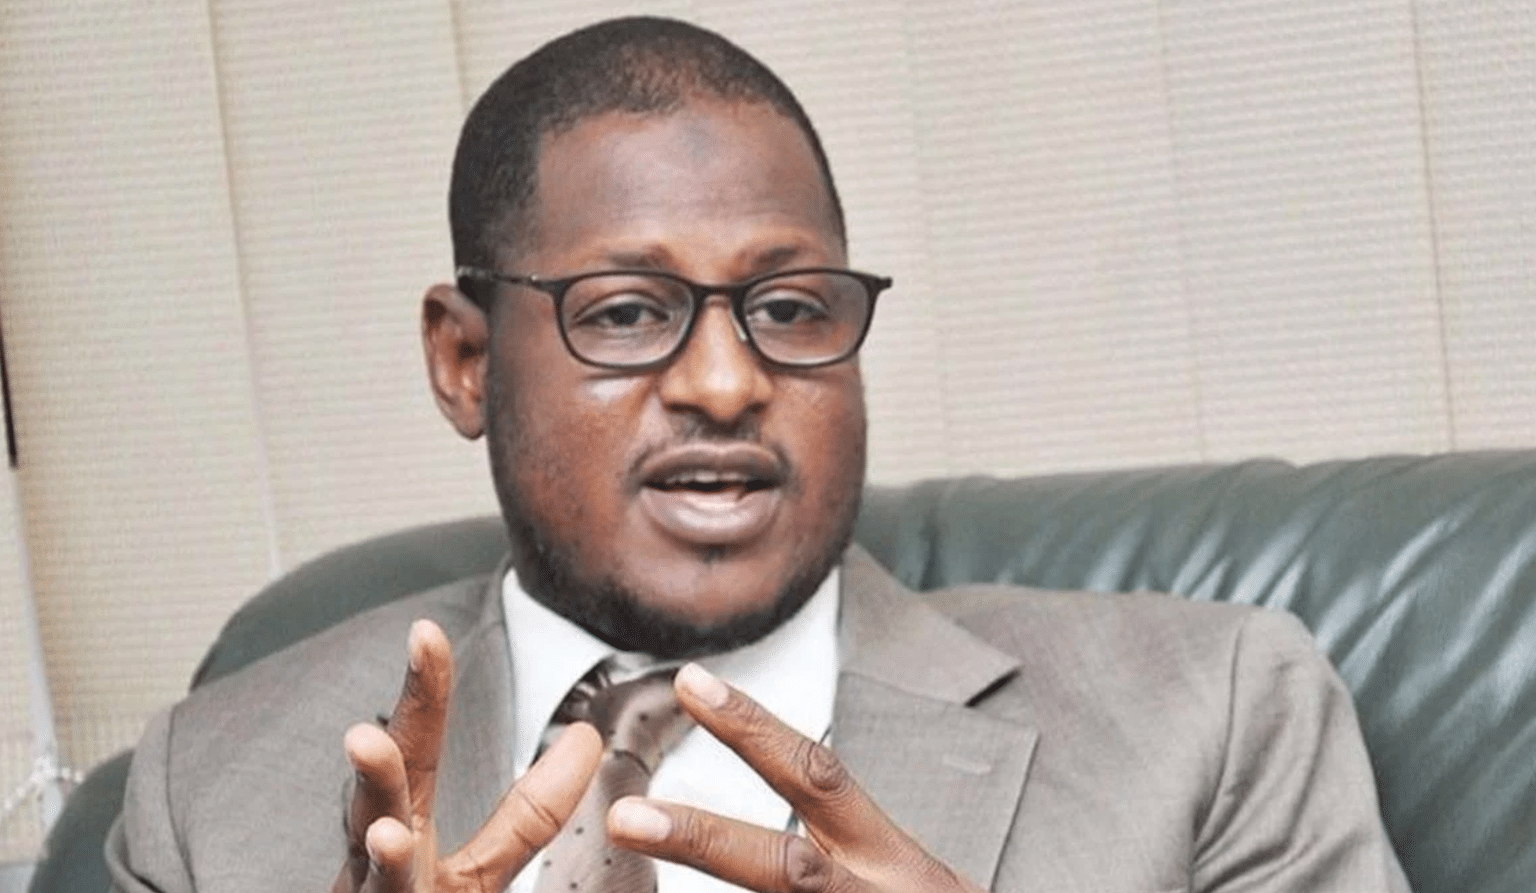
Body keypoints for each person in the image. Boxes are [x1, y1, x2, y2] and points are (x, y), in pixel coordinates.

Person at [106, 16, 1410, 893]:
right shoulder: (208, 795)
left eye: (789, 308)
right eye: (627, 313)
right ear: (465, 360)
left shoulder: (1211, 716)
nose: (728, 383)